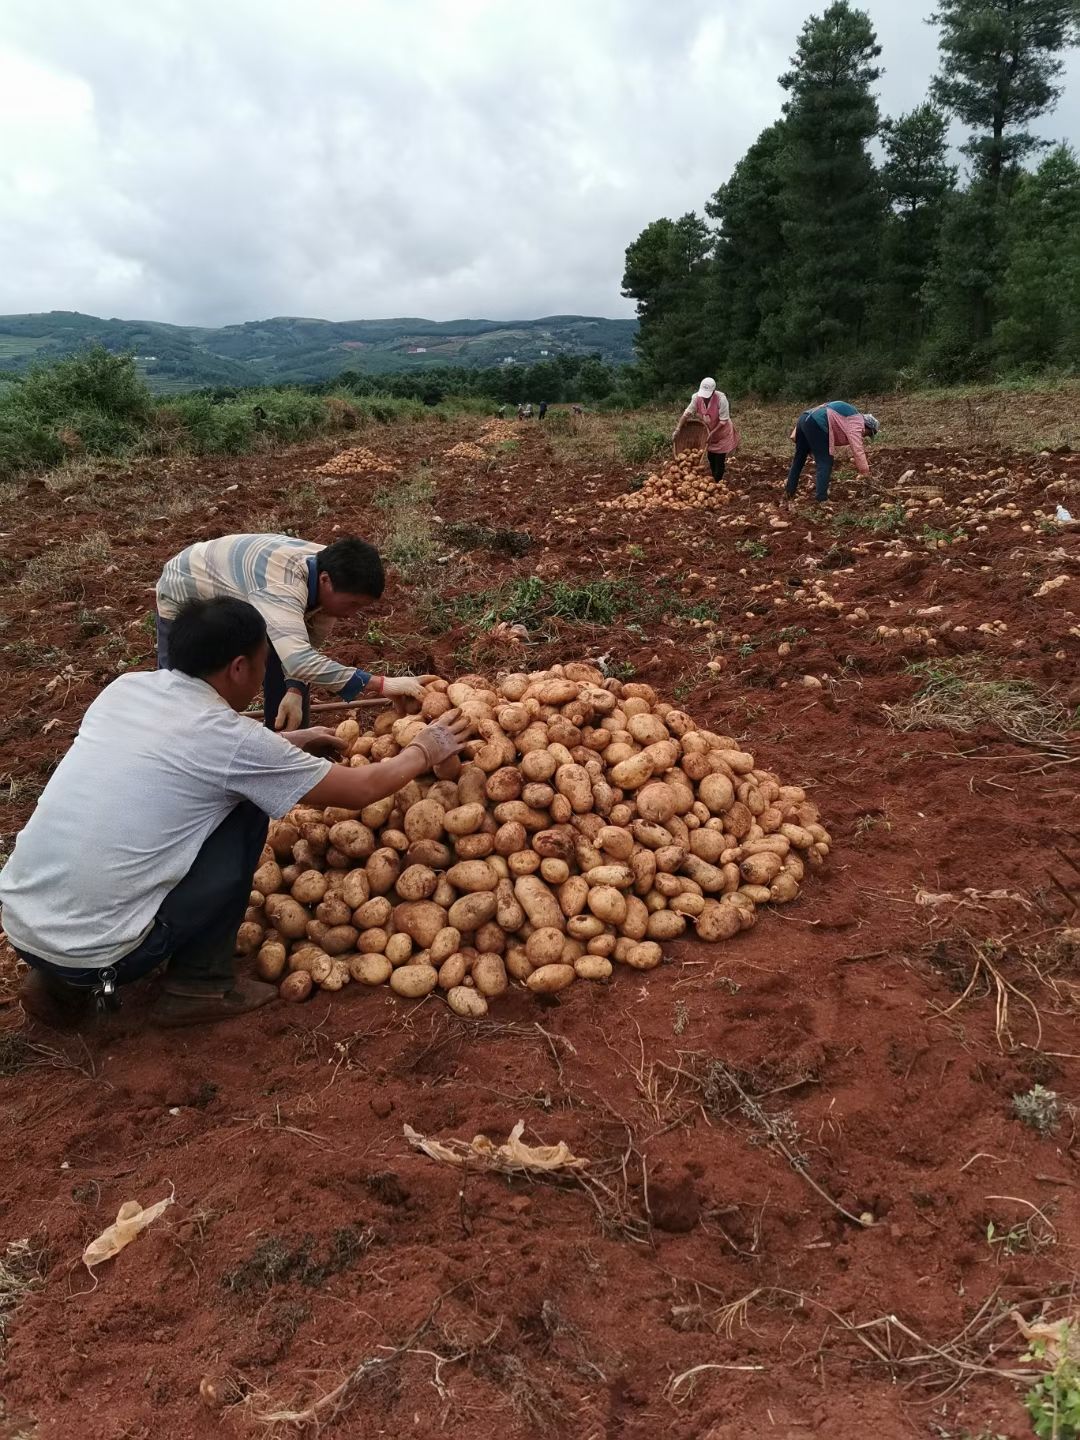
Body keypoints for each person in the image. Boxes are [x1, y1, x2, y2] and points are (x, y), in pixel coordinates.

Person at [0, 597, 472, 1032]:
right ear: (239, 666)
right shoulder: (231, 742)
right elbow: (363, 790)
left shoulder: (127, 689)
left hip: (23, 924)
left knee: (216, 798)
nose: (263, 675)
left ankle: (60, 979)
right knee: (244, 807)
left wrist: (288, 744)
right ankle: (199, 985)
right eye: (265, 664)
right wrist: (424, 748)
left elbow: (183, 751)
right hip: (103, 955)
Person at [156, 533, 425, 733]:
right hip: (188, 587)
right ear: (325, 581)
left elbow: (304, 648)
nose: (352, 614)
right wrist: (382, 684)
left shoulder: (330, 569)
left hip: (245, 592)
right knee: (184, 686)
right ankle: (174, 743)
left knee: (282, 651)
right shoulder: (283, 586)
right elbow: (299, 660)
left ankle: (284, 740)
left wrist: (294, 691)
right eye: (352, 604)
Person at [785, 402, 880, 504]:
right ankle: (822, 499)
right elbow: (858, 449)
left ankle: (789, 492)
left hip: (804, 419)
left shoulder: (849, 415)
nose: (864, 436)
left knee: (799, 459)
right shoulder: (856, 422)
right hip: (817, 422)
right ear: (867, 426)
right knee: (825, 461)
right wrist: (865, 472)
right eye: (868, 433)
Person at [679, 378, 739, 484]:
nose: (705, 398)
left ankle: (717, 482)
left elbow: (723, 421)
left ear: (713, 391)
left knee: (719, 460)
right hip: (708, 432)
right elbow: (687, 413)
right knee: (711, 457)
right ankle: (714, 479)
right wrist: (678, 429)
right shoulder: (696, 397)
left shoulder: (721, 399)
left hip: (722, 432)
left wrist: (713, 432)